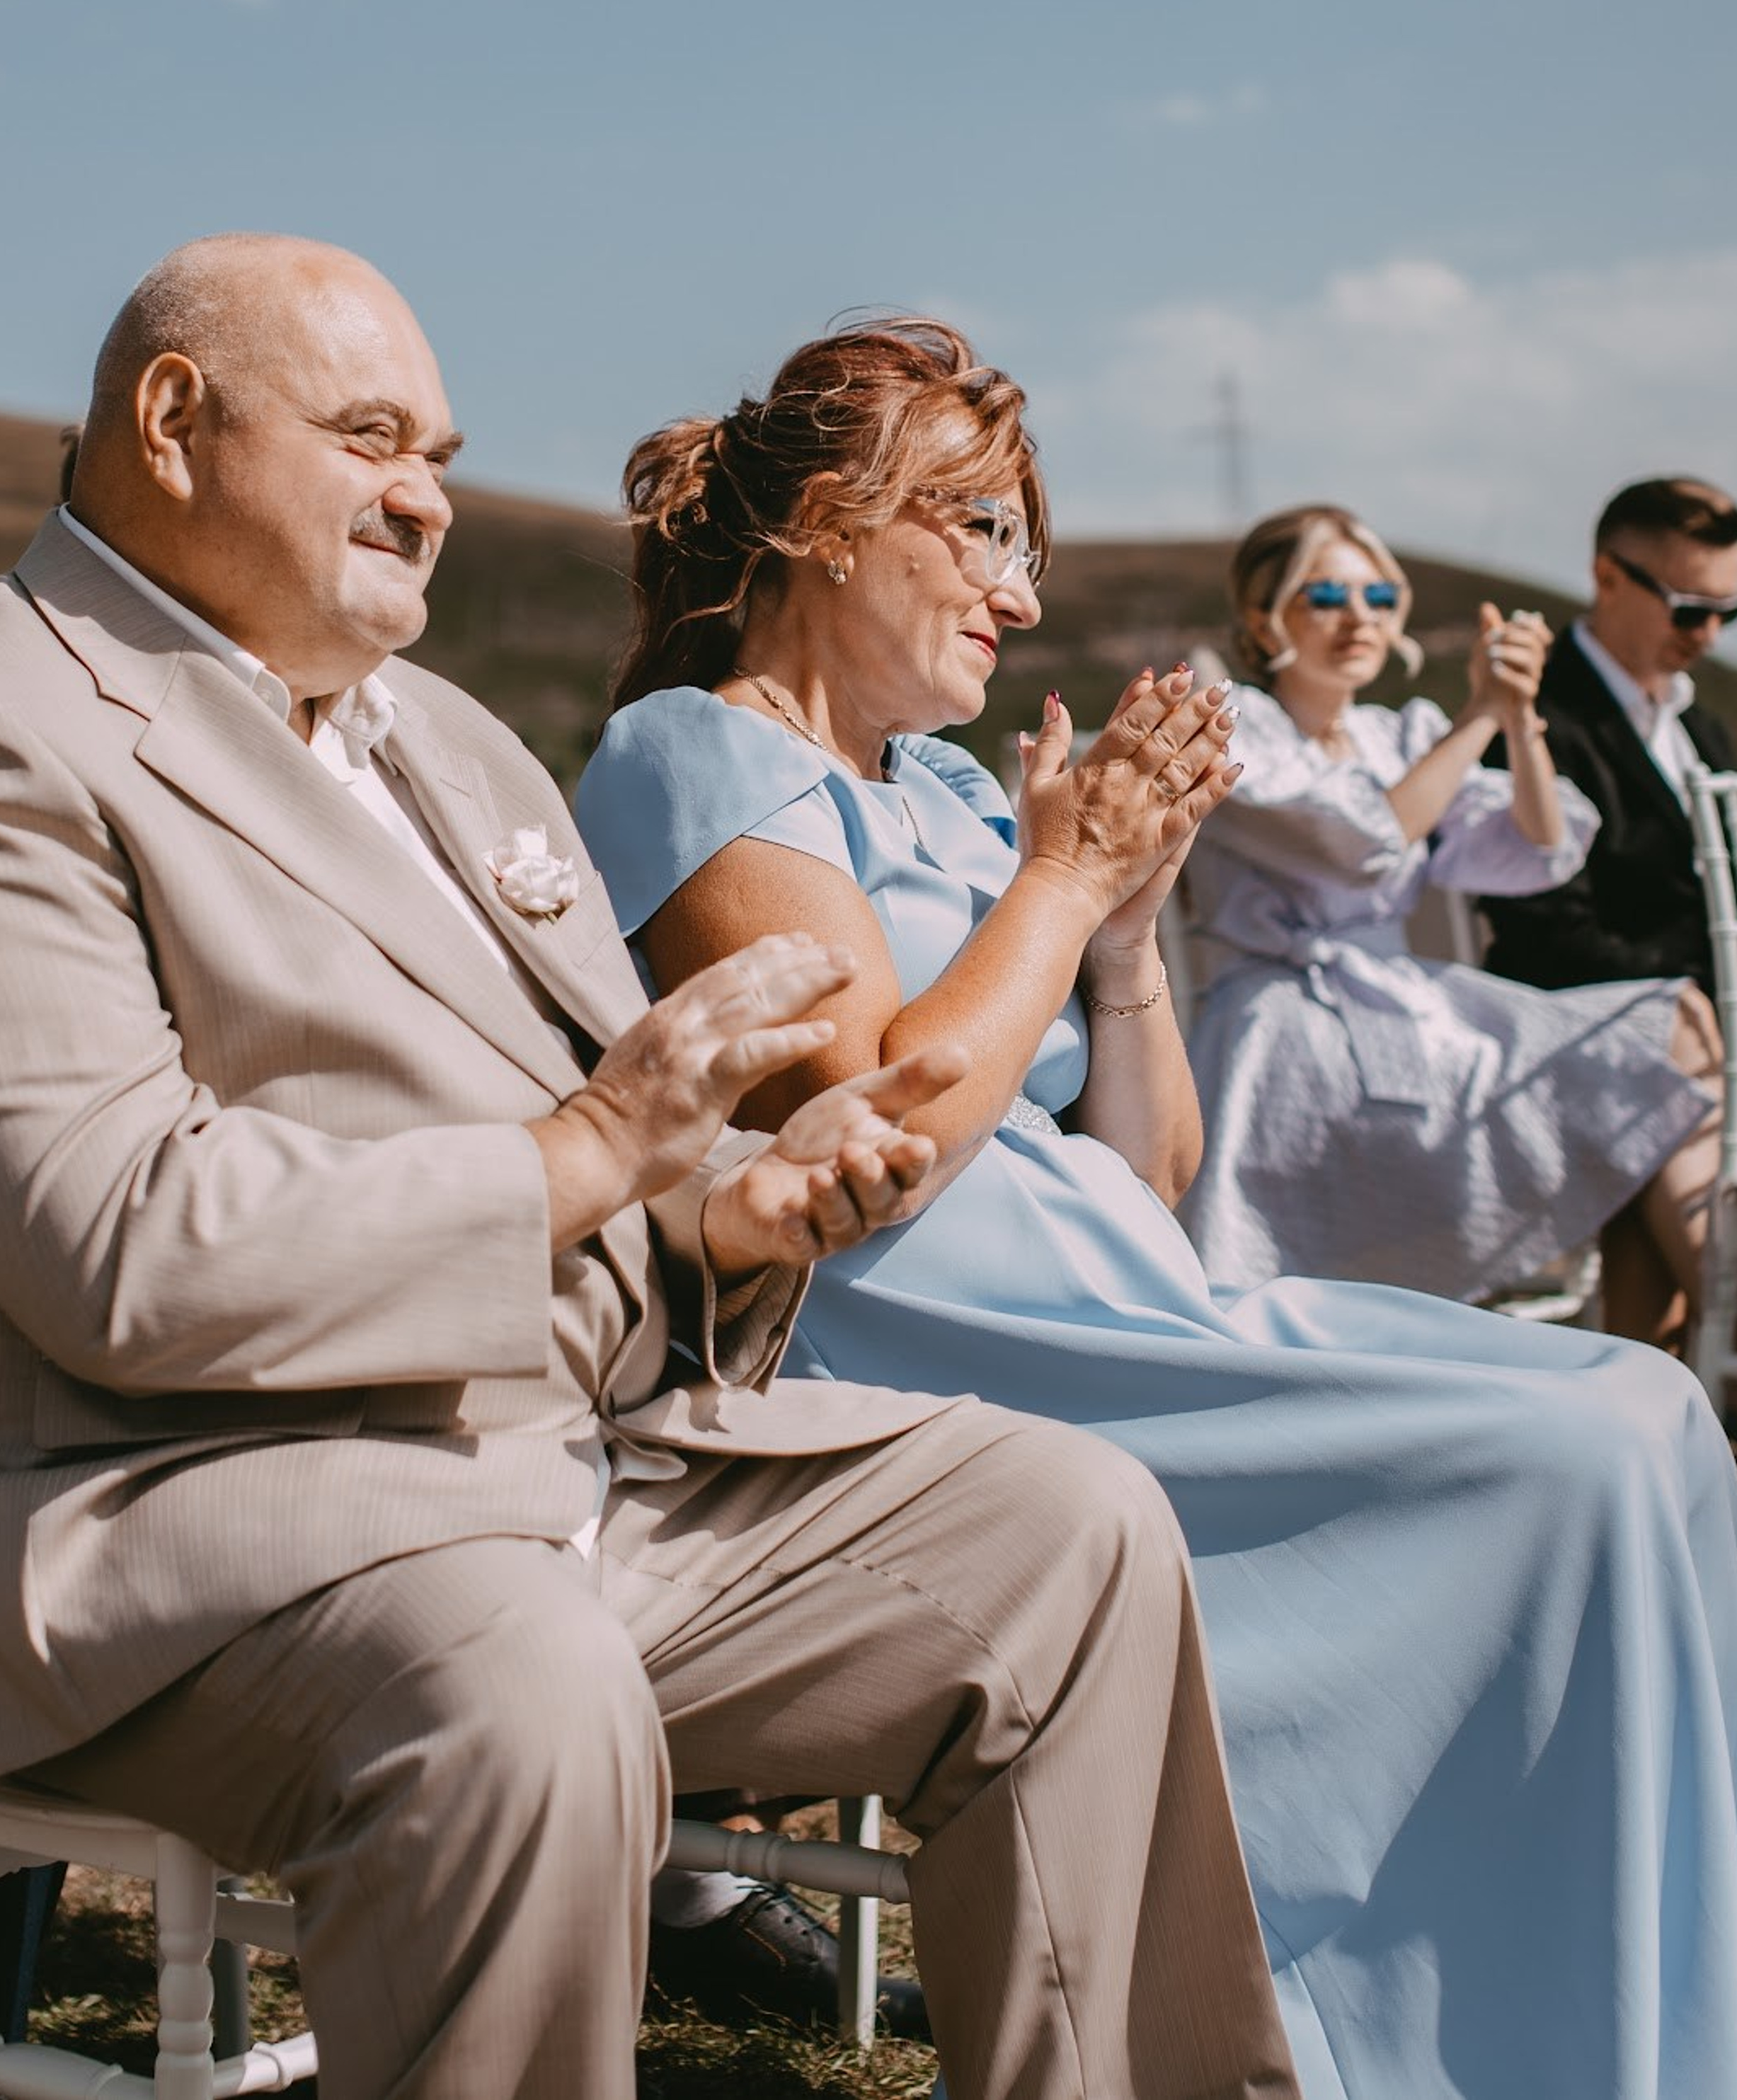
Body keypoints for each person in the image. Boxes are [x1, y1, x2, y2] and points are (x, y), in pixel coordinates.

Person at [0, 240, 1300, 2100]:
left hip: (575, 1466)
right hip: (192, 1521)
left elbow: (613, 1139)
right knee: (523, 1690)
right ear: (174, 424)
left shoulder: (455, 746)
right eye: (370, 439)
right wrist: (585, 1153)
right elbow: (123, 1249)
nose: (429, 497)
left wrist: (725, 1206)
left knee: (1071, 1528)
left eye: (439, 454)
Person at [577, 316, 1737, 2100]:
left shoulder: (941, 791)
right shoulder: (698, 753)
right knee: (1566, 1460)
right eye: (978, 528)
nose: (1017, 592)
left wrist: (1120, 938)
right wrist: (1061, 876)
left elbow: (1148, 1174)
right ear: (824, 526)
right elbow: (872, 1124)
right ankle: (1430, 2041)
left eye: (1024, 545)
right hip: (938, 1354)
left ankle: (1635, 2031)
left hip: (1126, 1303)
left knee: (1647, 1408)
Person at [1175, 503, 1719, 1325]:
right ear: (1262, 617)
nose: (1359, 618)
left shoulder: (1395, 736)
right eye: (1326, 595)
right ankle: (1715, 1336)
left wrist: (1518, 717)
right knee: (1650, 1079)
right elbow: (1361, 843)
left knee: (1670, 1040)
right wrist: (1478, 716)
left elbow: (1537, 846)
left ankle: (1683, 1351)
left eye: (1378, 598)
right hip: (1291, 1043)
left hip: (1413, 1016)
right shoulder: (1235, 731)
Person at [1480, 478, 1737, 1002]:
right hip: (1610, 1027)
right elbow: (1546, 940)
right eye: (1689, 610)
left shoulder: (1703, 731)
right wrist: (1697, 992)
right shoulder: (1530, 724)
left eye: (1729, 612)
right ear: (1608, 577)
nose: (1709, 634)